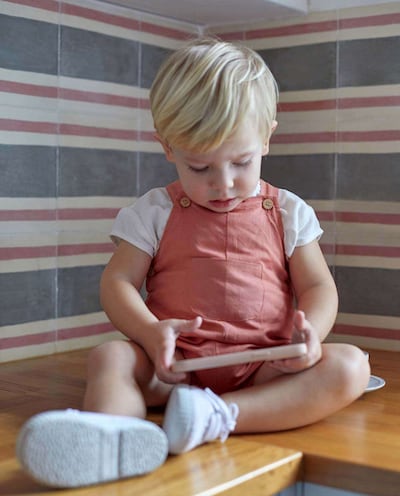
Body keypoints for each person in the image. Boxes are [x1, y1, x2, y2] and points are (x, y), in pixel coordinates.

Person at [16, 37, 370, 488]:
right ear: (168, 148)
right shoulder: (154, 211)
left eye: (241, 162)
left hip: (265, 368)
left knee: (350, 367)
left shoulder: (288, 212)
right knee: (111, 357)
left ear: (266, 138)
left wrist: (311, 337)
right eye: (200, 168)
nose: (223, 183)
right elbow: (118, 282)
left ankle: (217, 416)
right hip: (174, 367)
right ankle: (113, 437)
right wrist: (149, 333)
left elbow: (318, 286)